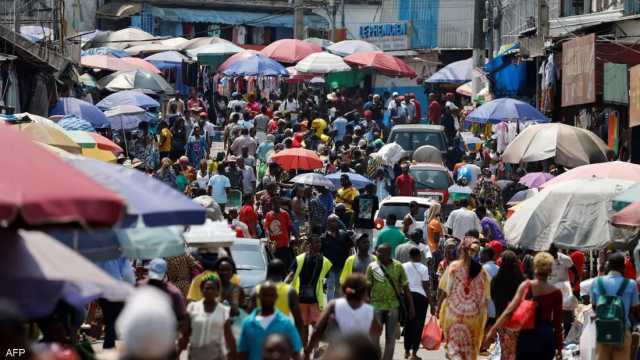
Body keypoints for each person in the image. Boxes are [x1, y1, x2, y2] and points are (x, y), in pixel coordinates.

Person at [485, 252, 563, 360]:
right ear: (550, 270)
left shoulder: (526, 286)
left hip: (527, 334)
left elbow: (509, 311)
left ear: (535, 267)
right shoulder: (556, 292)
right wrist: (559, 347)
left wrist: (492, 331)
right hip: (546, 335)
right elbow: (557, 323)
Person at [304, 273, 381, 359]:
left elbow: (317, 330)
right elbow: (377, 333)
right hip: (360, 353)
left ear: (344, 288)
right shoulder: (369, 310)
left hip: (337, 352)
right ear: (364, 292)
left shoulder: (334, 305)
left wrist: (308, 351)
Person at [437, 236, 490, 360]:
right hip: (473, 317)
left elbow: (445, 290)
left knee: (453, 350)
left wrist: (438, 307)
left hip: (453, 316)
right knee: (469, 350)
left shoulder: (453, 267)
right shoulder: (481, 271)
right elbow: (485, 297)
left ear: (461, 250)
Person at [366, 243, 415, 360]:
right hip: (376, 306)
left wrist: (411, 307)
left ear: (388, 254)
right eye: (377, 251)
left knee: (390, 337)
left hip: (393, 307)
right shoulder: (372, 267)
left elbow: (406, 288)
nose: (377, 254)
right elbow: (367, 287)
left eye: (381, 252)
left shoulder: (398, 266)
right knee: (374, 336)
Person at [590, 252, 640, 360]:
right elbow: (635, 308)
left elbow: (594, 306)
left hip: (602, 331)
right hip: (623, 330)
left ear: (608, 265)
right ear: (623, 267)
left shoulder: (596, 282)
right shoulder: (631, 284)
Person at [286, 236, 332, 349]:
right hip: (301, 299)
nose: (319, 245)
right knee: (303, 327)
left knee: (317, 327)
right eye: (316, 242)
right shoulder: (300, 259)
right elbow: (291, 275)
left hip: (315, 300)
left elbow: (325, 280)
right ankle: (305, 350)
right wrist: (282, 286)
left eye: (320, 242)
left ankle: (315, 350)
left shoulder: (325, 262)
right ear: (310, 245)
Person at [239, 282, 302, 360]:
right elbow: (242, 353)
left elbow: (296, 353)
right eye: (265, 295)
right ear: (258, 296)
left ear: (276, 297)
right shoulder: (248, 323)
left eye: (271, 295)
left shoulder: (286, 324)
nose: (268, 298)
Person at [186, 274, 236, 360]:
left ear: (217, 292)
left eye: (213, 289)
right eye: (207, 288)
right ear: (202, 290)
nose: (210, 291)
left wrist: (233, 354)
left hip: (216, 356)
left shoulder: (224, 310)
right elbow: (186, 332)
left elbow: (228, 335)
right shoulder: (192, 307)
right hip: (195, 355)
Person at [490, 250, 525, 360]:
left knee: (505, 348)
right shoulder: (522, 280)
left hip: (502, 319)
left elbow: (493, 297)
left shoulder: (496, 280)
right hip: (518, 320)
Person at [253, 260, 304, 336]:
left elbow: (249, 315)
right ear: (283, 273)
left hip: (260, 335)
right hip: (282, 336)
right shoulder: (290, 291)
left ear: (268, 271)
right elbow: (299, 321)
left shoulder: (256, 289)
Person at [95, 257, 135, 349]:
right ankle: (109, 344)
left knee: (109, 319)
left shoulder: (99, 253)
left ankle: (109, 343)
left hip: (103, 290)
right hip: (118, 290)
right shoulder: (120, 255)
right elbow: (128, 276)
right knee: (114, 320)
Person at [402, 247, 430, 360]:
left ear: (409, 255)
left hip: (406, 296)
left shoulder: (403, 266)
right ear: (419, 256)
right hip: (420, 297)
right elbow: (426, 286)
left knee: (408, 324)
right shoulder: (423, 268)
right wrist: (431, 302)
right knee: (418, 325)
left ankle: (406, 351)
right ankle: (414, 353)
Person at [321, 214, 353, 301]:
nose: (335, 223)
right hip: (329, 267)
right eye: (332, 221)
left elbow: (350, 248)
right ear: (328, 223)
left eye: (336, 221)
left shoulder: (344, 235)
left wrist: (349, 262)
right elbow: (321, 253)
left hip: (342, 266)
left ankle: (337, 305)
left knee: (340, 286)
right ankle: (330, 306)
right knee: (330, 287)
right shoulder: (323, 238)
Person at [265, 197, 294, 268]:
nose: (276, 205)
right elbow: (266, 229)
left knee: (283, 263)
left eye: (277, 203)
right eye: (274, 203)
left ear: (280, 204)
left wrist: (289, 239)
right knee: (274, 263)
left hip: (283, 243)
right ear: (272, 205)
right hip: (273, 245)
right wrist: (268, 239)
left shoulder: (285, 214)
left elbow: (289, 227)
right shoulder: (269, 215)